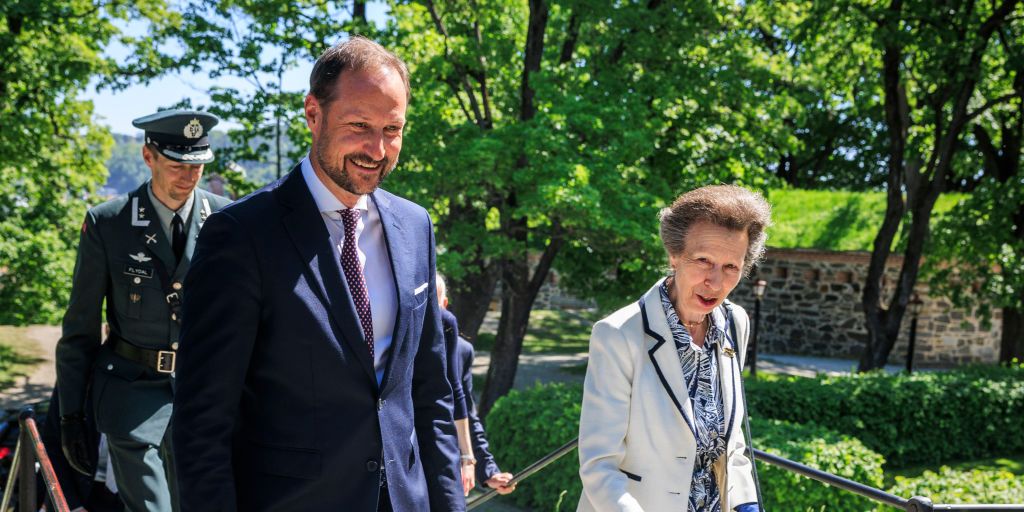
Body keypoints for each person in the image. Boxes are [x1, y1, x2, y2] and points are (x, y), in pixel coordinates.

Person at [172, 37, 464, 512]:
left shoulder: (416, 226)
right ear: (313, 114)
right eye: (359, 125)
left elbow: (431, 393)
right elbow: (202, 421)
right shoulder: (241, 235)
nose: (378, 148)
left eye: (393, 129)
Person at [55, 109, 229, 512]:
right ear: (148, 157)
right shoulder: (109, 223)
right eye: (176, 165)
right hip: (131, 390)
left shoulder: (225, 220)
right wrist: (69, 415)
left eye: (198, 166)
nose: (189, 178)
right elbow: (80, 327)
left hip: (202, 393)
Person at [577, 185, 770, 512]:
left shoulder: (736, 322)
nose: (715, 281)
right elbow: (599, 466)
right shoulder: (618, 334)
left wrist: (745, 504)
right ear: (674, 254)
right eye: (703, 260)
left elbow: (730, 442)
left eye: (730, 267)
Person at [435, 275, 516, 496]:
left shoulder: (462, 351)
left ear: (444, 306)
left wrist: (487, 469)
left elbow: (466, 412)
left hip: (441, 461)